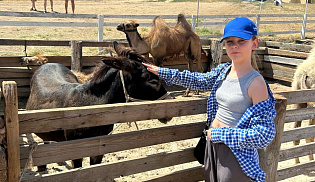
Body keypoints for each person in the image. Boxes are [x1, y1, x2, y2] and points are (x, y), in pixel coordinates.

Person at [142, 17, 276, 182]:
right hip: (212, 147)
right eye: (229, 41)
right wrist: (162, 72)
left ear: (254, 44)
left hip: (235, 154)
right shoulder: (223, 71)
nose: (234, 46)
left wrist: (220, 133)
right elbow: (198, 80)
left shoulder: (256, 83)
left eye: (242, 41)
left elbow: (264, 135)